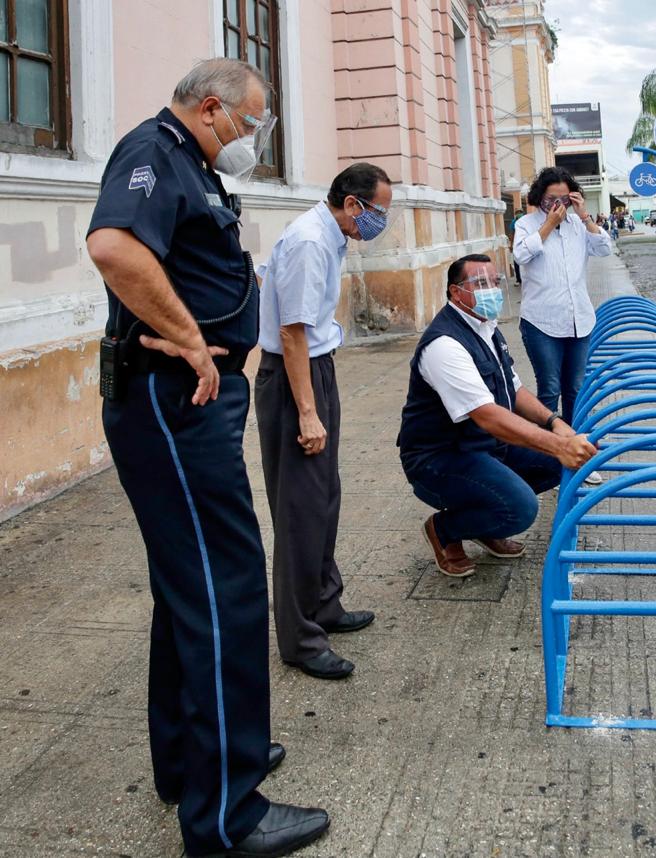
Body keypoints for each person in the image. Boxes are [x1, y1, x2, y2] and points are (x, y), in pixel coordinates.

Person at [86, 58, 328, 857]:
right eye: (252, 124)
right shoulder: (154, 152)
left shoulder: (189, 163)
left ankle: (195, 761)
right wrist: (193, 341)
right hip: (173, 397)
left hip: (190, 399)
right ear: (215, 108)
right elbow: (115, 247)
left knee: (187, 584)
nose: (255, 138)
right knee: (226, 584)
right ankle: (229, 814)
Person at [254, 164, 390, 681]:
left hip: (315, 369)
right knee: (299, 511)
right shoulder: (312, 240)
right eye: (378, 211)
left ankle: (325, 604)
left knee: (323, 499)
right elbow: (291, 334)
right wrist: (307, 412)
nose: (381, 222)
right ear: (353, 204)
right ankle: (300, 638)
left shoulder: (330, 236)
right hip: (297, 378)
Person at [398, 254, 597, 577]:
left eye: (495, 281)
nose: (492, 289)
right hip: (440, 459)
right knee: (521, 508)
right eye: (479, 283)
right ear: (455, 292)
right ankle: (445, 529)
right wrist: (557, 445)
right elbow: (488, 416)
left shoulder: (486, 328)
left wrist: (556, 424)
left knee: (552, 464)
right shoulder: (445, 344)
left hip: (483, 446)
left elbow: (514, 390)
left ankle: (484, 518)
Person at [512, 167, 612, 485]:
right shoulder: (526, 224)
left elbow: (604, 248)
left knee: (576, 391)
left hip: (579, 319)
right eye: (550, 198)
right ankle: (546, 457)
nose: (557, 205)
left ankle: (579, 454)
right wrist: (547, 226)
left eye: (564, 199)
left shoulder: (577, 224)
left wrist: (583, 215)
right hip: (541, 321)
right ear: (539, 197)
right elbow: (521, 256)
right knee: (549, 390)